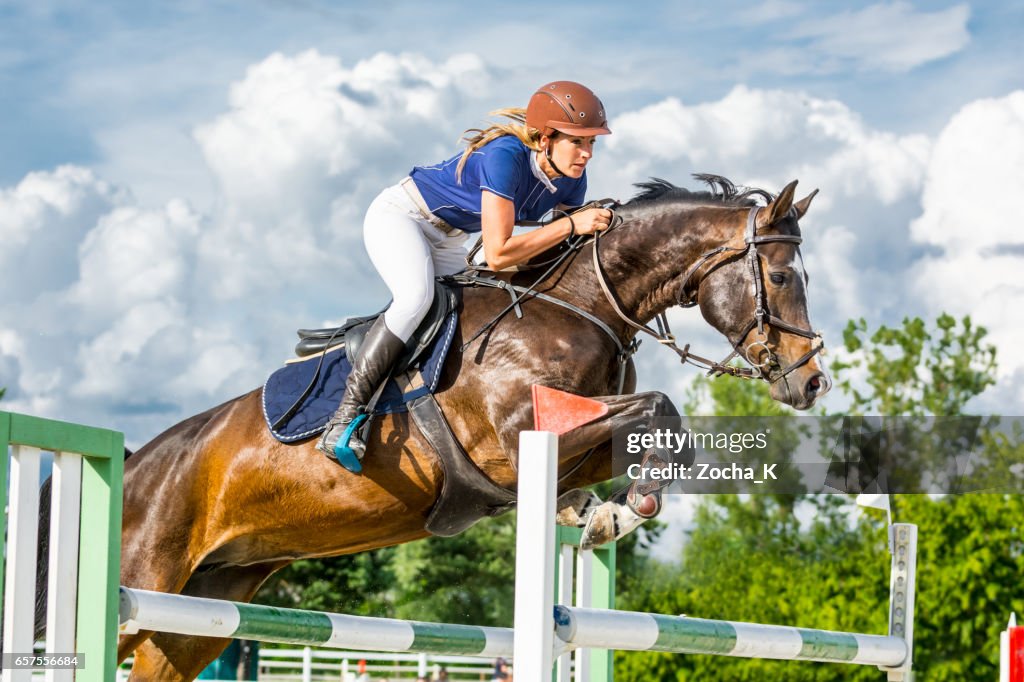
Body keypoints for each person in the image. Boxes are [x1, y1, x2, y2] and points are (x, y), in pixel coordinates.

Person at [317, 81, 614, 471]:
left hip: (450, 239)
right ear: (545, 139)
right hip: (403, 217)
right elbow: (499, 252)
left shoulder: (573, 181)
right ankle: (344, 419)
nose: (587, 154)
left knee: (475, 311)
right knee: (416, 299)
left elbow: (558, 254)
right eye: (578, 142)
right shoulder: (505, 156)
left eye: (592, 143)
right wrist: (572, 224)